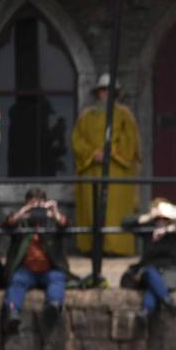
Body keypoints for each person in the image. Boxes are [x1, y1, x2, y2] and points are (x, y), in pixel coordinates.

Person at [72, 73, 141, 255]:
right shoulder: (86, 116)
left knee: (115, 210)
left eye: (110, 91)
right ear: (98, 93)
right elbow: (77, 140)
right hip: (92, 168)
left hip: (116, 169)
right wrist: (94, 153)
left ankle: (116, 248)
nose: (106, 95)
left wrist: (112, 152)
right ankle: (91, 248)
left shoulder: (125, 115)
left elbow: (131, 140)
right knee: (92, 207)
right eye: (103, 91)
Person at [2, 188, 72, 333]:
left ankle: (53, 306)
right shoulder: (22, 222)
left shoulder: (51, 221)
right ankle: (13, 312)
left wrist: (55, 213)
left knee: (57, 278)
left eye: (39, 205)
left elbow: (65, 226)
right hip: (26, 270)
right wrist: (23, 213)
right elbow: (8, 224)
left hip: (49, 269)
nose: (37, 211)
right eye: (32, 205)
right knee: (17, 280)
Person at [121, 198, 176, 322]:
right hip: (150, 272)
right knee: (149, 273)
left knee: (153, 286)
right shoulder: (148, 230)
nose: (160, 221)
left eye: (164, 218)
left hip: (172, 272)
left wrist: (167, 229)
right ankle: (167, 300)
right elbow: (125, 223)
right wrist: (149, 216)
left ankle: (146, 311)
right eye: (157, 218)